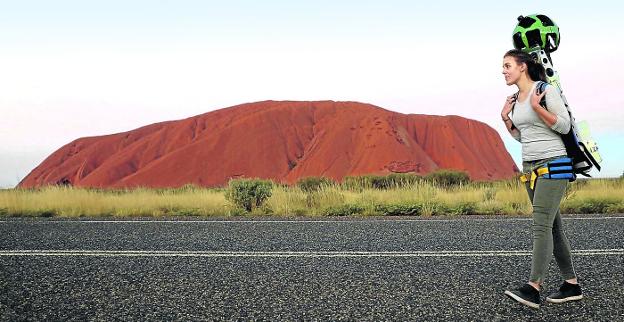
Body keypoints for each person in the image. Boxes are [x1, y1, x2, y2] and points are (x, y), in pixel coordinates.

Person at [500, 49, 583, 309]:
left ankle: (533, 288)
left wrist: (537, 106)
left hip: (554, 165)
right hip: (531, 167)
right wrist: (506, 119)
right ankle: (571, 285)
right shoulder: (517, 98)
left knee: (540, 225)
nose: (503, 71)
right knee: (553, 227)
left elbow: (564, 125)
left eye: (507, 65)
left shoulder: (544, 91)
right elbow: (525, 137)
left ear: (522, 66)